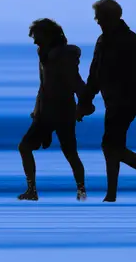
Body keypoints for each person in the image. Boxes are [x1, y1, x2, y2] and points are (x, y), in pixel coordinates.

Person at [78, 0, 136, 202]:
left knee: (110, 145)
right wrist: (85, 101)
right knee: (112, 146)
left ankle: (120, 191)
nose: (96, 20)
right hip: (111, 101)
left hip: (127, 101)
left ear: (111, 17)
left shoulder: (130, 40)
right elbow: (95, 73)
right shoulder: (102, 40)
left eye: (100, 17)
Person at [18, 18, 91, 201]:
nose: (35, 41)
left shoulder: (64, 55)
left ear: (49, 35)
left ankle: (81, 191)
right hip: (45, 112)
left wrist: (84, 103)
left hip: (63, 111)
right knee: (25, 147)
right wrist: (36, 111)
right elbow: (42, 86)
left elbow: (75, 82)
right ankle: (31, 190)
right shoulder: (42, 53)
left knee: (70, 152)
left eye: (37, 36)